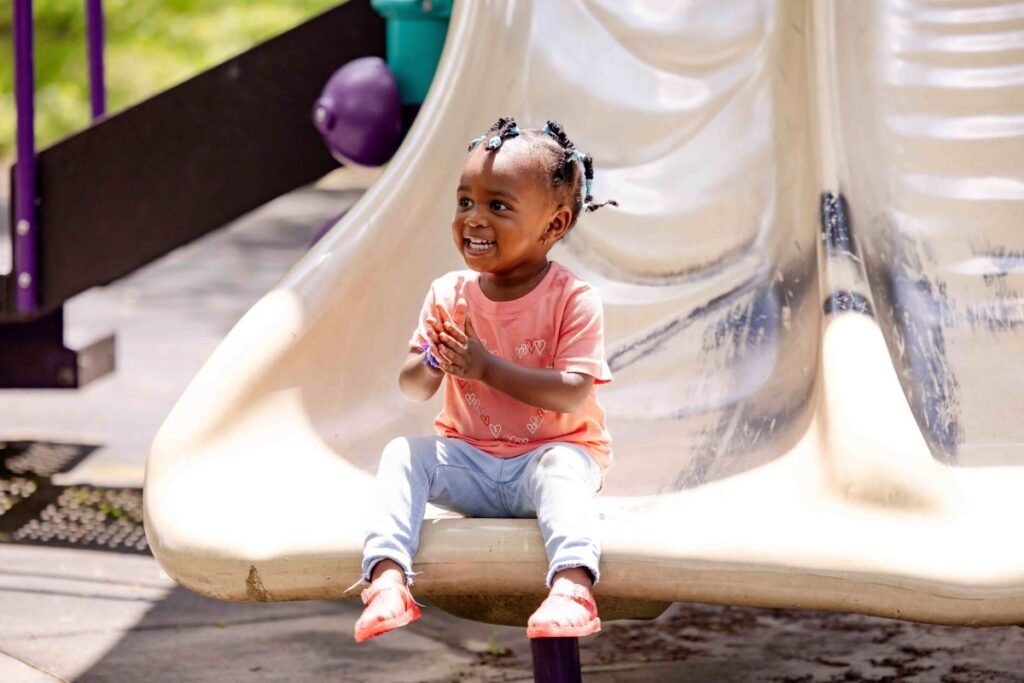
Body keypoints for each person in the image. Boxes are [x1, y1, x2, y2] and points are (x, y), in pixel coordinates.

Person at [355, 116, 618, 643]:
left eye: (498, 205)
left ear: (554, 225)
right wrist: (435, 360)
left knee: (564, 469)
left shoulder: (574, 299)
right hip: (471, 462)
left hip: (548, 457)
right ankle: (385, 579)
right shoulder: (449, 294)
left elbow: (573, 392)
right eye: (464, 201)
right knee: (404, 454)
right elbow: (412, 386)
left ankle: (571, 587)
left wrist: (486, 368)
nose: (474, 219)